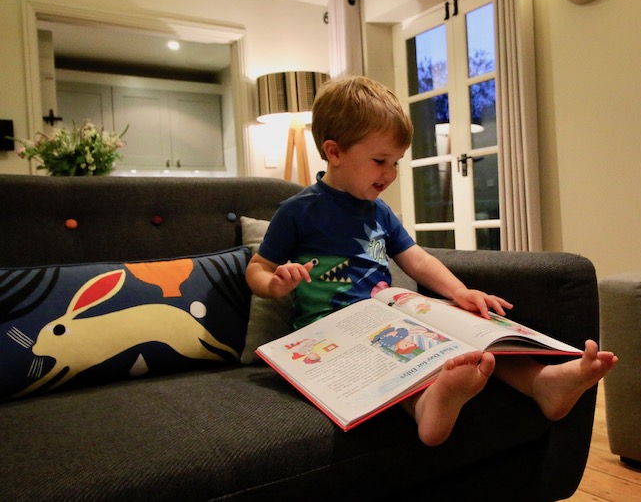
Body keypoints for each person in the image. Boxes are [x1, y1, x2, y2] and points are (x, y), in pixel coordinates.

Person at [246, 76, 617, 447]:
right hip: (329, 333)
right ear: (335, 152)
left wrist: (460, 292)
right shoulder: (298, 211)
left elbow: (418, 260)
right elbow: (258, 268)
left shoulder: (379, 212)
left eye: (396, 162)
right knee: (389, 358)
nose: (390, 174)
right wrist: (275, 284)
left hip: (383, 315)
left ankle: (541, 383)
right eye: (380, 161)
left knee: (468, 329)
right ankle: (428, 406)